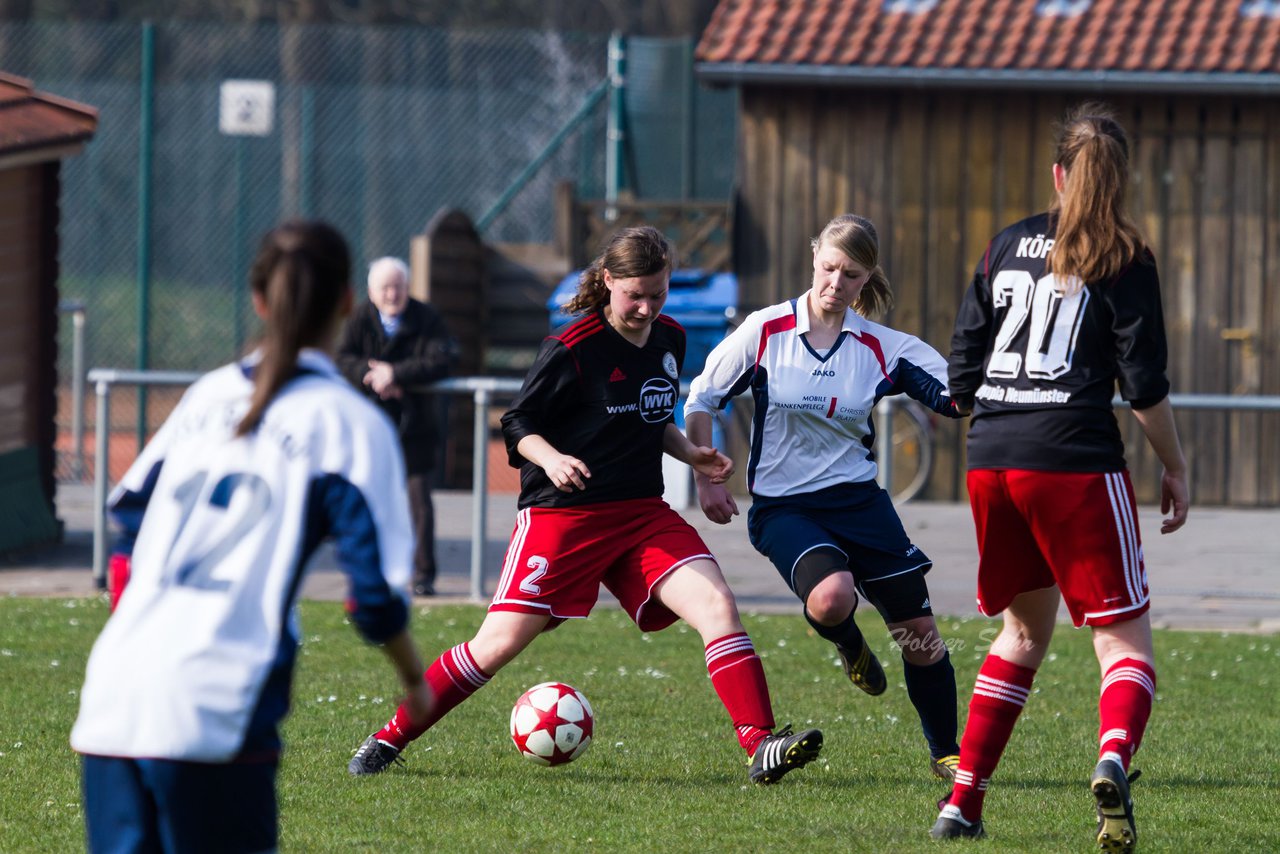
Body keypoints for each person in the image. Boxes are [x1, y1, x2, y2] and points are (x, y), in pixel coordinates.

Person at [347, 225, 823, 785]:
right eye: (634, 295)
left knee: (718, 605)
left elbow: (649, 417)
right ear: (607, 282)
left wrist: (692, 453)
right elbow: (517, 423)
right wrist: (550, 459)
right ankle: (389, 738)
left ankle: (760, 744)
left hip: (642, 514)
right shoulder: (572, 347)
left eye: (658, 294)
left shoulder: (669, 338)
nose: (646, 308)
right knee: (497, 645)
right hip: (564, 517)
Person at [71, 221, 432, 853]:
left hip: (114, 694)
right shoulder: (348, 424)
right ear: (349, 301)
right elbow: (372, 598)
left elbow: (128, 526)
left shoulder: (206, 395)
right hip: (218, 701)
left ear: (259, 299)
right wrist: (415, 683)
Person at [930, 103, 1189, 850]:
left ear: (1058, 175)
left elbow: (962, 363)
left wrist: (997, 411)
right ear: (1120, 181)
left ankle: (963, 804)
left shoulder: (1007, 244)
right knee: (1126, 647)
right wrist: (1175, 467)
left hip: (993, 461)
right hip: (1072, 462)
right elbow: (1143, 389)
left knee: (1020, 634)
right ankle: (1113, 756)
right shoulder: (1125, 256)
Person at [685, 213, 965, 784]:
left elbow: (954, 399)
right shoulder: (765, 331)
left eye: (852, 274)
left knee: (921, 640)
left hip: (861, 504)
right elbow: (702, 397)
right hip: (786, 508)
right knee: (833, 598)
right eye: (830, 267)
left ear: (868, 279)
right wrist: (706, 477)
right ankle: (850, 645)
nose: (837, 282)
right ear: (814, 258)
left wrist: (991, 374)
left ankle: (946, 754)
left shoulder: (883, 347)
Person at [337, 256, 454, 596]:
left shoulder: (426, 317)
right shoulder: (360, 318)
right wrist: (371, 376)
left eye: (398, 287)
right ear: (372, 292)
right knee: (367, 499)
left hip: (414, 426)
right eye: (385, 288)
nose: (392, 294)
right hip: (370, 426)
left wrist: (396, 374)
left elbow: (441, 359)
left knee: (418, 503)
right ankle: (369, 571)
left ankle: (422, 575)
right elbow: (343, 358)